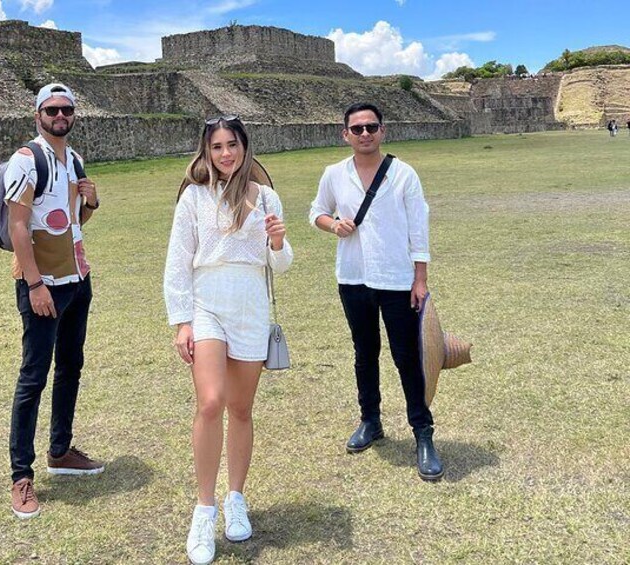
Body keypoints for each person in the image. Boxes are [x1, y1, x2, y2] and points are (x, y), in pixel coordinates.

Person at [164, 116, 293, 564]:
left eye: (232, 145)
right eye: (216, 146)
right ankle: (204, 508)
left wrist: (277, 243)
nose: (225, 154)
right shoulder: (194, 198)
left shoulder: (267, 196)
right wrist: (181, 320)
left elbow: (281, 264)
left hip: (251, 306)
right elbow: (178, 261)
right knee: (211, 402)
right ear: (206, 152)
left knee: (240, 409)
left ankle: (236, 497)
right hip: (207, 304)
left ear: (244, 147)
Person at [309, 102, 443, 481]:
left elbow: (419, 228)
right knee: (364, 353)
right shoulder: (334, 174)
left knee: (406, 357)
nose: (365, 134)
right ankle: (371, 420)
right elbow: (316, 211)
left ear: (383, 131)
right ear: (345, 134)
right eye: (357, 129)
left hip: (397, 279)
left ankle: (423, 432)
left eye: (371, 127)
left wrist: (421, 279)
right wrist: (332, 224)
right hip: (353, 278)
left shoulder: (403, 174)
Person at [4, 83, 104, 520]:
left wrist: (92, 204)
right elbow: (18, 228)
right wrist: (34, 284)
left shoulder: (74, 159)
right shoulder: (27, 161)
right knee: (33, 377)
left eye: (66, 109)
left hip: (77, 278)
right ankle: (20, 476)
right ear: (38, 114)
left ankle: (60, 452)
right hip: (44, 284)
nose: (60, 115)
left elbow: (70, 224)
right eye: (52, 109)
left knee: (70, 368)